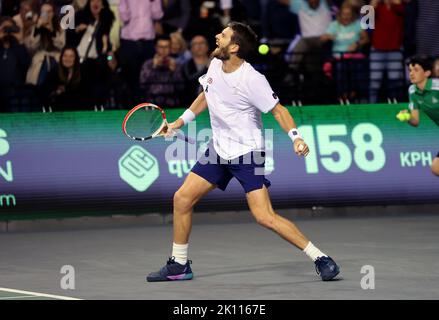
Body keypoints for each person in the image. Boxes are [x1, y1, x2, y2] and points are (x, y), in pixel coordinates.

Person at [146, 22, 340, 282]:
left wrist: (296, 138)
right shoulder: (216, 64)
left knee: (264, 217)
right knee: (182, 199)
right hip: (218, 149)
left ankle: (320, 257)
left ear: (234, 46)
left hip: (248, 153)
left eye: (223, 35)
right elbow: (206, 94)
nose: (217, 36)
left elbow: (279, 111)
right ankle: (179, 264)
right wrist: (178, 123)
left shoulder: (252, 79)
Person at [397, 55, 439, 177]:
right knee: (436, 168)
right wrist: (407, 117)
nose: (411, 73)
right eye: (410, 70)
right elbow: (415, 121)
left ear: (427, 73)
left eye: (416, 70)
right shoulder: (412, 91)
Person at [139, 35, 184, 108]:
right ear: (156, 48)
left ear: (170, 48)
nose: (163, 50)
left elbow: (181, 88)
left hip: (172, 104)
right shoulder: (148, 64)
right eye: (161, 47)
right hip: (151, 104)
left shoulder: (176, 64)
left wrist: (173, 71)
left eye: (166, 47)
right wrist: (153, 67)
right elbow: (142, 85)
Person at [181, 35, 210, 105]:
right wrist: (206, 68)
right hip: (191, 103)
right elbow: (190, 80)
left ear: (207, 47)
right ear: (191, 49)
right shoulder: (186, 65)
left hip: (212, 103)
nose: (199, 46)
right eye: (195, 44)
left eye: (202, 43)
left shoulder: (215, 63)